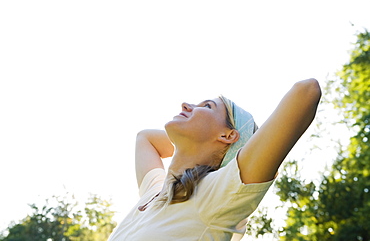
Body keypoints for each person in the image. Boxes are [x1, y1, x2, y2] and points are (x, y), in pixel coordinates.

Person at [108, 78, 322, 241]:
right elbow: (145, 138)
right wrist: (190, 145)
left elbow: (307, 91)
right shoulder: (154, 192)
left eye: (207, 106)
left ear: (228, 135)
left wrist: (204, 145)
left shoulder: (216, 194)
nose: (186, 105)